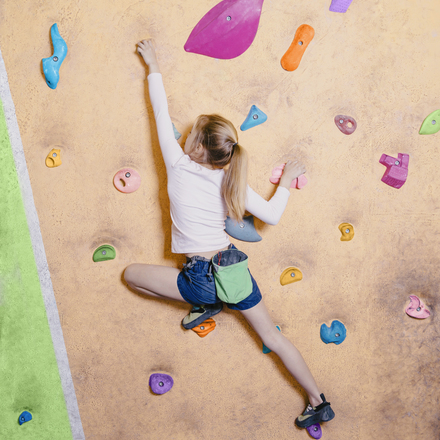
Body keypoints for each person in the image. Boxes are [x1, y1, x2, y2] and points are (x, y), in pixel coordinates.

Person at [124, 39, 335, 429]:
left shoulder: (178, 162)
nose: (184, 135)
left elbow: (159, 110)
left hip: (201, 277)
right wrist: (285, 181)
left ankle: (205, 304)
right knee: (272, 337)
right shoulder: (230, 178)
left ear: (199, 149)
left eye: (191, 134)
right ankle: (317, 400)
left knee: (131, 276)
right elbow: (270, 212)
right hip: (233, 269)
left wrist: (152, 64)